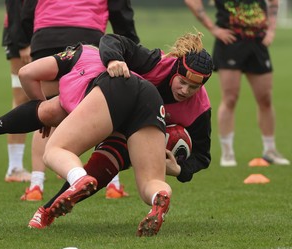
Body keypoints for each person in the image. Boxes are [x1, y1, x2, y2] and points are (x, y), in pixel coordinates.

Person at [0, 42, 169, 237]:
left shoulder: (79, 57)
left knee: (55, 150)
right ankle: (160, 195)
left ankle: (73, 180)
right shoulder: (194, 102)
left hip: (113, 93)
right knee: (147, 183)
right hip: (149, 100)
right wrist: (177, 167)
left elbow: (26, 72)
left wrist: (41, 107)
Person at [28, 32, 214, 230]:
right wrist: (114, 60)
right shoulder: (156, 62)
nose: (185, 91)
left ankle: (49, 209)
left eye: (194, 87)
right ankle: (159, 196)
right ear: (175, 69)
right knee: (147, 182)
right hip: (130, 122)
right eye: (182, 82)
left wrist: (179, 170)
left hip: (133, 130)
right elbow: (112, 40)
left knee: (70, 154)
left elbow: (202, 154)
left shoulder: (200, 108)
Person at [17, 0, 139, 201]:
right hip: (87, 35)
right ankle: (113, 184)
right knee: (99, 109)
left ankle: (35, 186)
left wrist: (28, 36)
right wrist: (127, 45)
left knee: (45, 109)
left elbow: (27, 8)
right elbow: (120, 11)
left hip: (47, 35)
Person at [184, 0, 290, 166]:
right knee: (230, 98)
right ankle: (227, 153)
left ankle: (270, 150)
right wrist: (214, 29)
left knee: (265, 98)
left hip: (258, 43)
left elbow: (274, 2)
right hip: (230, 42)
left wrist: (271, 28)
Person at [1, 0, 32, 183]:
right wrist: (22, 42)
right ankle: (14, 167)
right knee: (21, 98)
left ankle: (59, 160)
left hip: (45, 29)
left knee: (55, 94)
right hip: (21, 33)